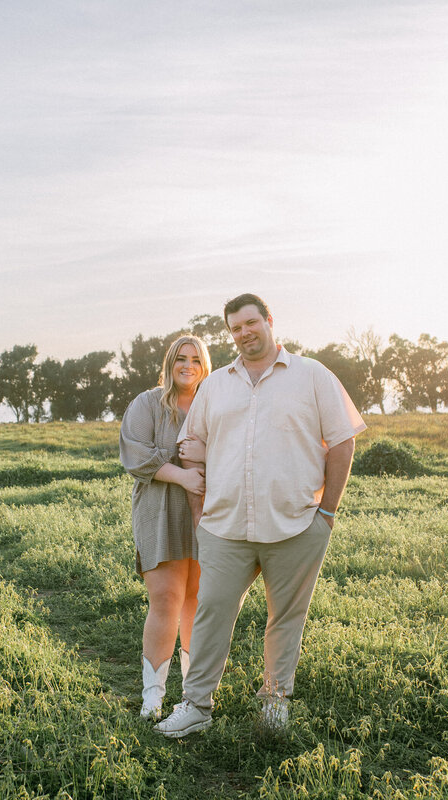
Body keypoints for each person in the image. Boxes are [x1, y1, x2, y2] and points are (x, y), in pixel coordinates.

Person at [154, 293, 366, 738]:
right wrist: (200, 516)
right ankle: (195, 705)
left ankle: (274, 703)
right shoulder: (216, 386)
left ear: (269, 321)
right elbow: (193, 452)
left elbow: (343, 442)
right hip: (225, 527)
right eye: (235, 328)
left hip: (296, 525)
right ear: (230, 332)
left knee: (286, 616)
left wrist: (327, 512)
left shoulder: (312, 376)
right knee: (212, 610)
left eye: (251, 323)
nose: (244, 333)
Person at [119, 334, 212, 720]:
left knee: (199, 601)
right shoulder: (148, 403)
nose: (187, 365)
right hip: (159, 509)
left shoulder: (215, 405)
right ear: (170, 363)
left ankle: (193, 697)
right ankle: (152, 698)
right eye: (180, 358)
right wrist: (182, 477)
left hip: (208, 510)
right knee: (166, 600)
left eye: (195, 359)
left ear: (204, 365)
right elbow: (136, 455)